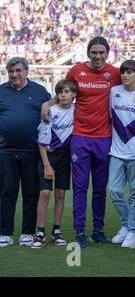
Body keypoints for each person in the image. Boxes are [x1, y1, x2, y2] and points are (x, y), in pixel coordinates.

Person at [41, 36, 135, 248]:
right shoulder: (76, 71)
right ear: (88, 52)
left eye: (102, 52)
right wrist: (48, 102)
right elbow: (64, 93)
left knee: (100, 188)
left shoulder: (114, 73)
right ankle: (80, 230)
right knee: (80, 187)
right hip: (80, 138)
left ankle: (97, 230)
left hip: (104, 139)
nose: (98, 56)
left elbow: (134, 79)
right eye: (94, 52)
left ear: (107, 53)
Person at [0, 57, 51, 248]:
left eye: (18, 71)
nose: (15, 75)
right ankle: (5, 233)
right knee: (6, 193)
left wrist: (48, 104)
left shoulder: (39, 92)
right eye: (11, 71)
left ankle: (27, 232)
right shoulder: (1, 91)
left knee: (31, 193)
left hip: (31, 151)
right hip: (5, 151)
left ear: (26, 71)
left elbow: (54, 108)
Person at [108, 60, 135, 249]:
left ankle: (133, 230)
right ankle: (126, 224)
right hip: (116, 151)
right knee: (114, 191)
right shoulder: (113, 92)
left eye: (130, 72)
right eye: (123, 72)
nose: (125, 75)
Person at [32, 80, 77, 249]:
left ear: (74, 94)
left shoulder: (77, 110)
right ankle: (40, 232)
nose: (63, 95)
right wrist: (46, 165)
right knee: (44, 193)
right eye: (60, 92)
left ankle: (56, 232)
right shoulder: (50, 112)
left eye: (66, 91)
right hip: (48, 156)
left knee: (60, 194)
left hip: (65, 157)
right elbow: (42, 142)